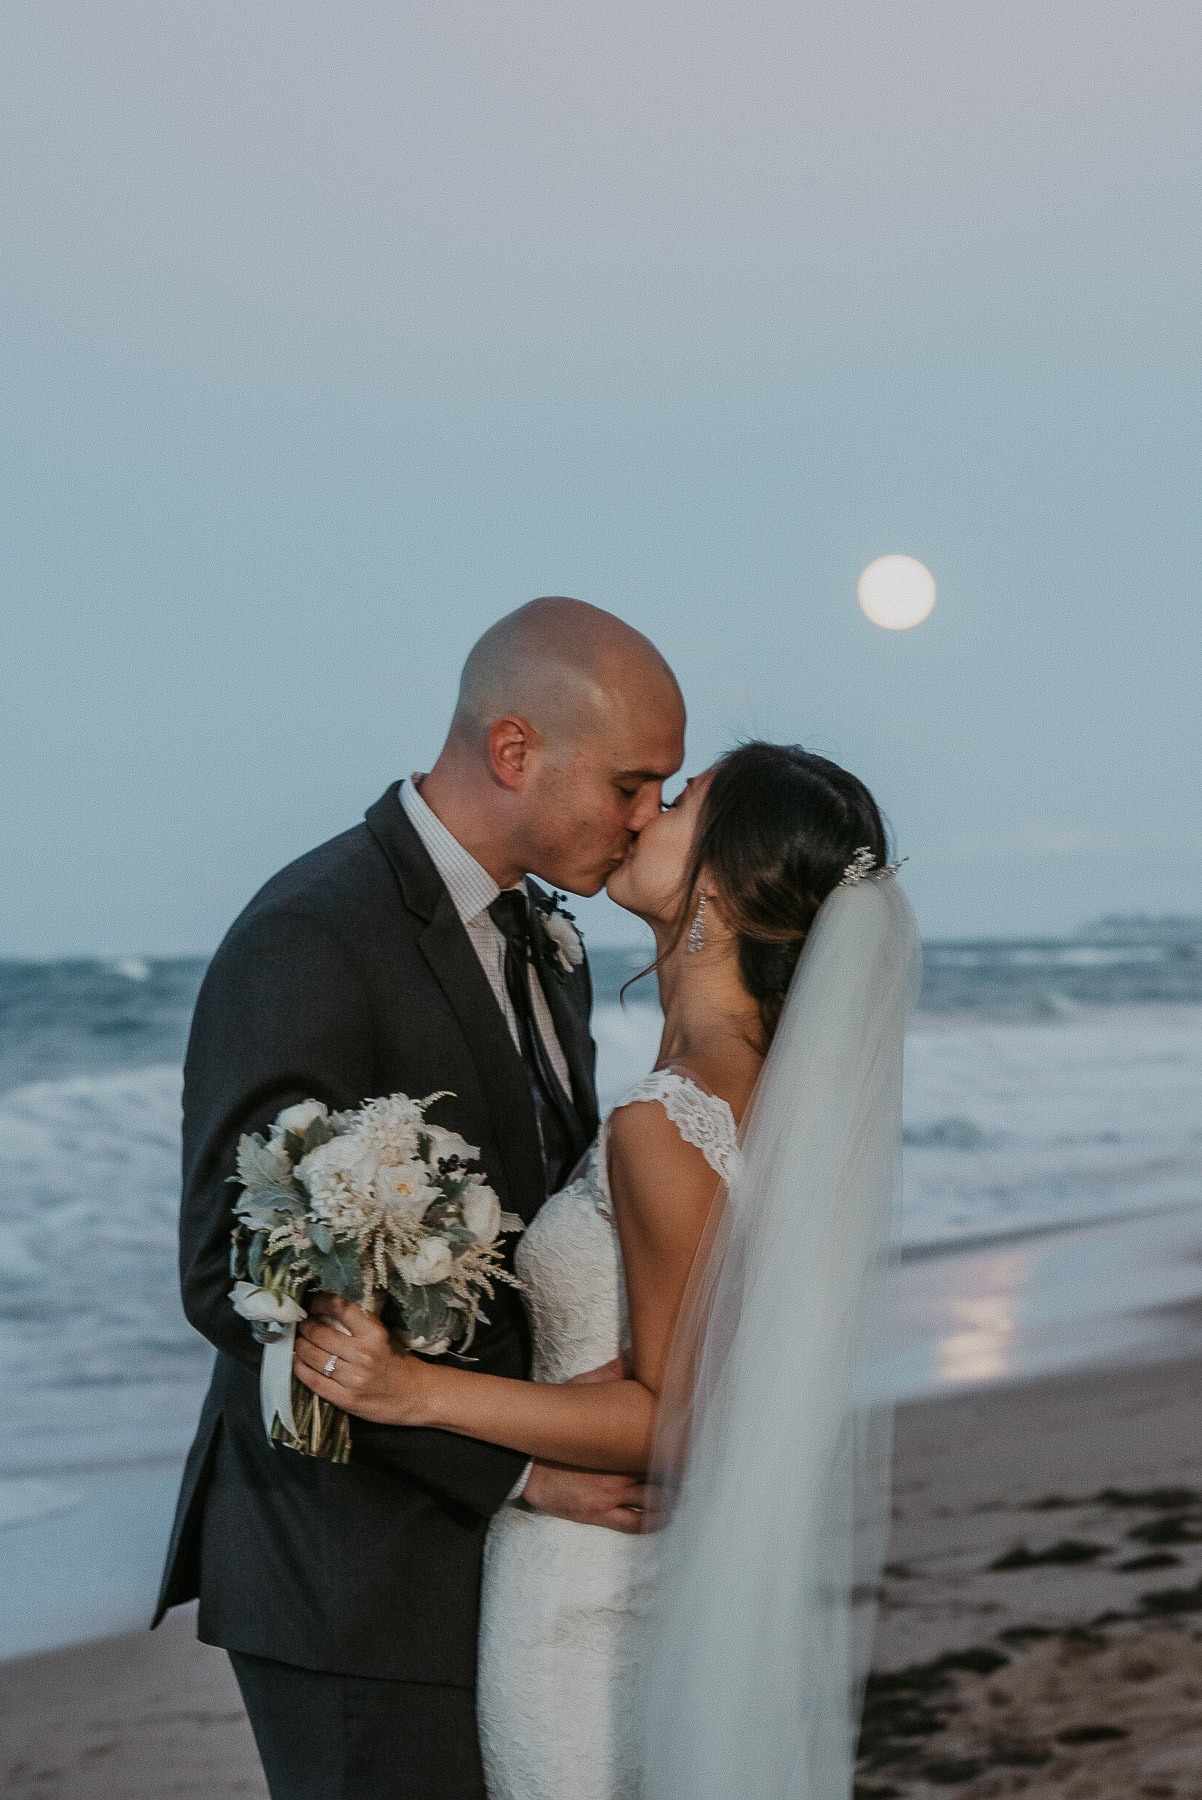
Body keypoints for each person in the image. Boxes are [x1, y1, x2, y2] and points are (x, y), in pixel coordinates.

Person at [298, 741, 920, 1800]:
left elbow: (678, 1419)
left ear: (716, 881)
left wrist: (417, 1390)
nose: (641, 813)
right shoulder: (770, 1098)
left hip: (588, 1597)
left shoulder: (667, 1119)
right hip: (666, 1585)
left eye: (677, 800)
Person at [153, 596, 687, 1800]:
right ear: (514, 751)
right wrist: (511, 1469)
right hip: (350, 1563)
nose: (647, 815)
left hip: (505, 1554)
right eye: (632, 783)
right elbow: (236, 1281)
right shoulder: (313, 936)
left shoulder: (547, 941)